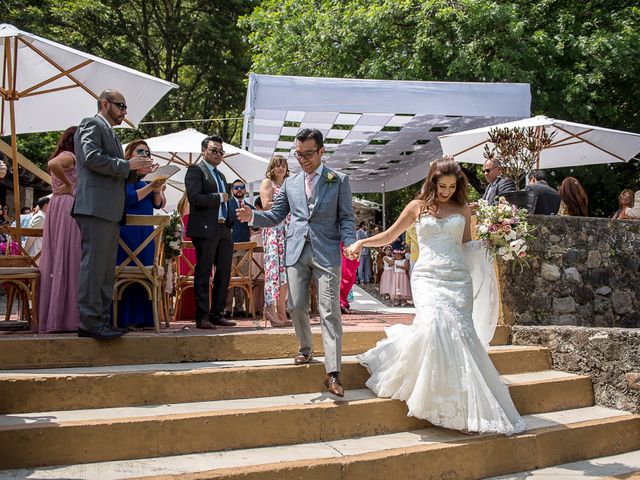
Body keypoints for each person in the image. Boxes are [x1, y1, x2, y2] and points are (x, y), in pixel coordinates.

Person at [344, 157, 525, 435]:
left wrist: (495, 240)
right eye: (442, 186)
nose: (446, 192)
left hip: (457, 279)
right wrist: (362, 242)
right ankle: (432, 395)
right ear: (432, 182)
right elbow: (390, 235)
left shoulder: (463, 209)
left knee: (458, 334)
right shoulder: (417, 207)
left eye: (452, 186)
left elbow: (466, 246)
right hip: (427, 277)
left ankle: (460, 404)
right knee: (434, 326)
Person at [237, 128, 356, 397]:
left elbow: (347, 218)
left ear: (322, 151)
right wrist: (252, 216)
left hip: (327, 252)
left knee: (328, 309)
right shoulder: (290, 184)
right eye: (298, 154)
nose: (302, 159)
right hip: (295, 250)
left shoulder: (338, 180)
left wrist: (350, 243)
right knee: (297, 305)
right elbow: (276, 215)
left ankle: (333, 372)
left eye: (308, 154)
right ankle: (305, 348)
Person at [73, 89, 155, 340]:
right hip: (96, 206)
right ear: (105, 103)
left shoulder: (110, 132)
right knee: (94, 267)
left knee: (105, 269)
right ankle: (90, 322)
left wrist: (137, 171)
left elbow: (113, 169)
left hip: (108, 209)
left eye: (125, 107)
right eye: (120, 106)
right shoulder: (91, 124)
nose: (124, 111)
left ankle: (101, 320)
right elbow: (91, 158)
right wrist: (126, 165)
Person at [184, 134, 235, 329]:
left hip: (223, 228)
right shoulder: (195, 170)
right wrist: (218, 197)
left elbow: (225, 202)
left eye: (221, 151)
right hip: (205, 228)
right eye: (214, 150)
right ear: (204, 150)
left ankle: (217, 313)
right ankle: (202, 316)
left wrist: (231, 218)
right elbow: (195, 198)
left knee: (224, 272)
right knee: (204, 272)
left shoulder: (221, 175)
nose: (218, 154)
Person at [115, 140, 167, 329]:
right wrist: (150, 187)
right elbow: (128, 198)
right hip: (127, 234)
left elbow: (158, 204)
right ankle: (125, 318)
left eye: (148, 152)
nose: (145, 155)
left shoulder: (146, 181)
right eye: (140, 151)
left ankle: (146, 318)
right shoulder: (124, 178)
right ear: (129, 155)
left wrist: (158, 189)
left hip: (146, 234)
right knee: (127, 272)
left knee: (145, 273)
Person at [38, 126, 82, 333]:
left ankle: (59, 315)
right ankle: (67, 317)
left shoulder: (67, 155)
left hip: (58, 204)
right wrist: (69, 184)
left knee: (61, 258)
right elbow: (53, 164)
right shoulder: (70, 156)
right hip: (67, 206)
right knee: (70, 256)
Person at [259, 155, 291, 327]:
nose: (280, 168)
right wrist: (286, 203)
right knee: (273, 270)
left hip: (286, 230)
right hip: (273, 230)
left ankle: (282, 309)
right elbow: (265, 205)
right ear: (272, 168)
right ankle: (270, 307)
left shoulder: (287, 184)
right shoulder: (267, 183)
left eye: (283, 165)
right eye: (277, 165)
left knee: (284, 272)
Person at [225, 179, 255, 318]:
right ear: (232, 190)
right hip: (230, 246)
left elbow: (256, 225)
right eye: (236, 187)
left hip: (245, 246)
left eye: (241, 187)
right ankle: (226, 308)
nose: (239, 189)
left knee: (242, 279)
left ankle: (239, 307)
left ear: (245, 190)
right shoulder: (226, 205)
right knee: (229, 279)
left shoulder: (250, 207)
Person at [174, 194, 197, 321]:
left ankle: (184, 311)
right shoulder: (193, 201)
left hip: (184, 242)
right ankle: (196, 310)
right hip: (195, 241)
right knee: (196, 277)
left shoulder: (182, 202)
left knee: (185, 279)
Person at [339, 241, 359, 314]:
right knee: (342, 276)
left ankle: (343, 302)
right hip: (338, 246)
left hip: (349, 244)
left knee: (350, 276)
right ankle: (341, 303)